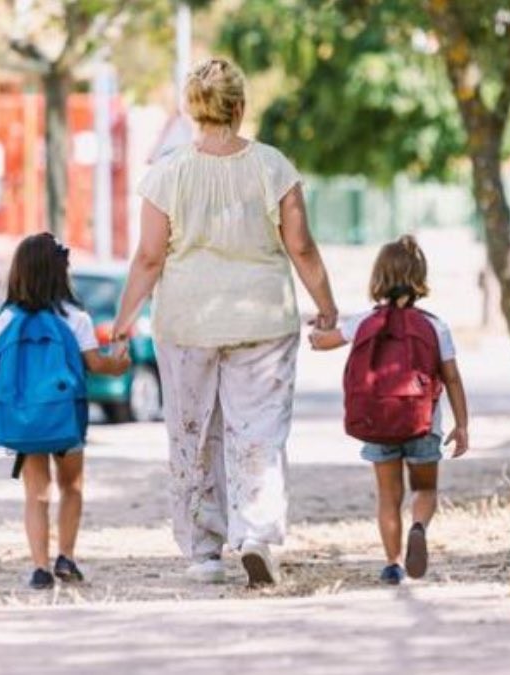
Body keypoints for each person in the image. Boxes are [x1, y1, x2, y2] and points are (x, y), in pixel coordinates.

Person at [113, 57, 339, 587]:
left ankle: (204, 553)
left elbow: (149, 258)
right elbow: (301, 247)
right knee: (259, 431)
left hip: (186, 324)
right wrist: (327, 307)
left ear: (193, 108)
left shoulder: (166, 174)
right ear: (239, 107)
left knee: (193, 434)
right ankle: (256, 534)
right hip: (263, 322)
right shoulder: (273, 167)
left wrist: (124, 321)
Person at [308, 235, 470, 585]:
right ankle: (418, 527)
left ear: (377, 278)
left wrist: (319, 330)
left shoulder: (363, 322)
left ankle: (393, 563)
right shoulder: (435, 326)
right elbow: (453, 378)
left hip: (376, 421)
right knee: (424, 490)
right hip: (423, 423)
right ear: (420, 278)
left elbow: (322, 343)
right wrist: (462, 425)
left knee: (388, 496)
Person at [0, 233, 131, 590]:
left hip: (24, 417)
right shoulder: (76, 317)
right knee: (71, 486)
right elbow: (95, 364)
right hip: (65, 416)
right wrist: (119, 364)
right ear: (61, 272)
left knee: (36, 493)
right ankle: (66, 557)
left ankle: (40, 568)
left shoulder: (7, 318)